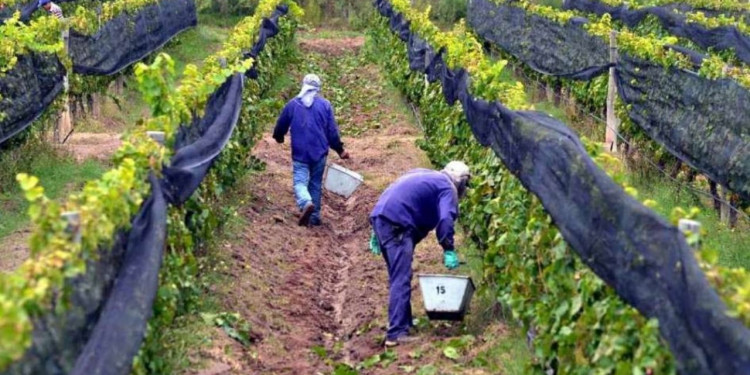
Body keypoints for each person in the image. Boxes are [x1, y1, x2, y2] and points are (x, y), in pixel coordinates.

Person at [369, 161, 471, 347]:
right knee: (401, 278)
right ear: (460, 181)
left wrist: (376, 230)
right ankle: (396, 333)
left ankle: (404, 322)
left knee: (398, 275)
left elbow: (394, 191)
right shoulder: (448, 188)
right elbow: (446, 219)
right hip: (398, 225)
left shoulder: (424, 174)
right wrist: (448, 248)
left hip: (381, 217)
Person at [274, 74, 350, 227]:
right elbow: (331, 132)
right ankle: (314, 217)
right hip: (319, 152)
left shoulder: (293, 104)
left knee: (300, 182)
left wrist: (279, 137)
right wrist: (340, 150)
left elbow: (281, 125)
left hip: (300, 152)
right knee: (315, 184)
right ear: (318, 89)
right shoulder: (325, 105)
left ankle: (305, 202)